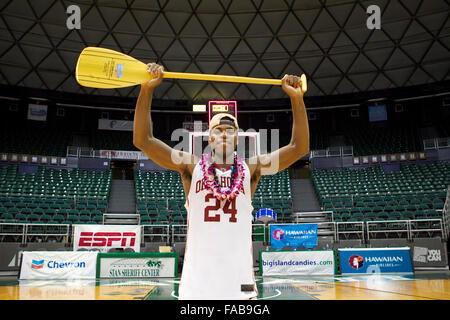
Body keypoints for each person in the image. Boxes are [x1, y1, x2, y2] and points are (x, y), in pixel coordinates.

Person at [133, 63, 309, 300]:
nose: (224, 133)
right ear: (209, 138)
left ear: (237, 138)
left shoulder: (252, 168)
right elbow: (143, 140)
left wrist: (297, 99)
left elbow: (299, 148)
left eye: (230, 130)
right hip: (197, 288)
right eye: (218, 130)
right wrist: (146, 88)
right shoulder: (190, 166)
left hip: (240, 286)